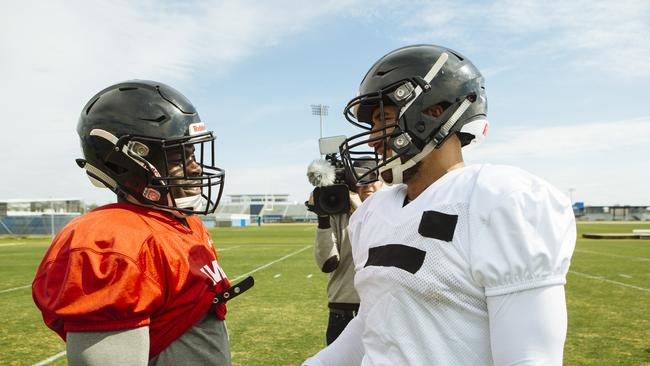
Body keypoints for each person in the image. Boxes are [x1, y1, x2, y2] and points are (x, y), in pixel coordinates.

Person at [304, 44, 576, 365]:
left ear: (433, 112)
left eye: (383, 119)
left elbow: (529, 358)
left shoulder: (499, 200)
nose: (374, 139)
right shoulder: (372, 212)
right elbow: (371, 323)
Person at [32, 80, 237, 365]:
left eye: (192, 154)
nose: (195, 168)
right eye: (178, 157)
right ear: (125, 163)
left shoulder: (184, 224)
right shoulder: (110, 240)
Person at [313, 161, 382, 345]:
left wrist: (360, 210)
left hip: (381, 311)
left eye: (373, 177)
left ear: (382, 180)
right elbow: (328, 263)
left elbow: (382, 246)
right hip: (343, 312)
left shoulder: (393, 211)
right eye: (361, 178)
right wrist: (323, 218)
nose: (368, 184)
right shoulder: (338, 214)